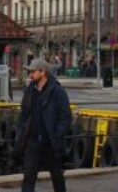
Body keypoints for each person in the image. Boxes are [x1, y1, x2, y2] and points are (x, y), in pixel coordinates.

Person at [16, 58, 72, 192]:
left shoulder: (57, 91)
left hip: (50, 141)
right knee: (28, 176)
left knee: (57, 177)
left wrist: (58, 135)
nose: (30, 75)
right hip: (32, 140)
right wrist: (21, 130)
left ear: (42, 72)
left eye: (33, 72)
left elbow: (65, 115)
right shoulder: (29, 90)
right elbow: (23, 113)